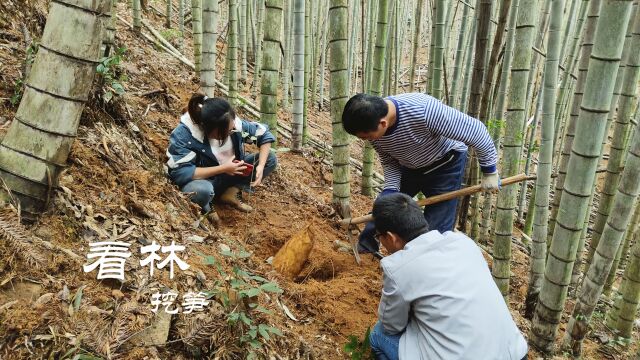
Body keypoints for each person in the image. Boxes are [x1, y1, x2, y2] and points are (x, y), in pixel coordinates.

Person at [368, 193, 528, 360]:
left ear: (391, 238)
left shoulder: (398, 268)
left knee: (379, 335)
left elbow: (391, 326)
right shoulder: (463, 242)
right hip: (515, 353)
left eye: (379, 237)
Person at [341, 93, 500, 255]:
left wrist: (489, 171)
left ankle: (425, 263)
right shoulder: (372, 125)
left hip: (446, 165)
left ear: (383, 123)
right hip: (410, 166)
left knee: (437, 228)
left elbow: (477, 131)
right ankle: (365, 250)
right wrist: (391, 188)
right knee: (384, 207)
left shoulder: (424, 111)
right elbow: (389, 160)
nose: (366, 140)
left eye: (366, 137)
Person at [166, 94, 277, 224]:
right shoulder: (185, 135)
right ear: (207, 128)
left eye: (232, 128)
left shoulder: (233, 125)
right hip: (205, 181)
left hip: (231, 174)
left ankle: (231, 192)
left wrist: (260, 166)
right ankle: (207, 206)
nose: (231, 132)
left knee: (270, 158)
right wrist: (223, 168)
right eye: (226, 132)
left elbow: (263, 135)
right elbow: (180, 172)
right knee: (201, 191)